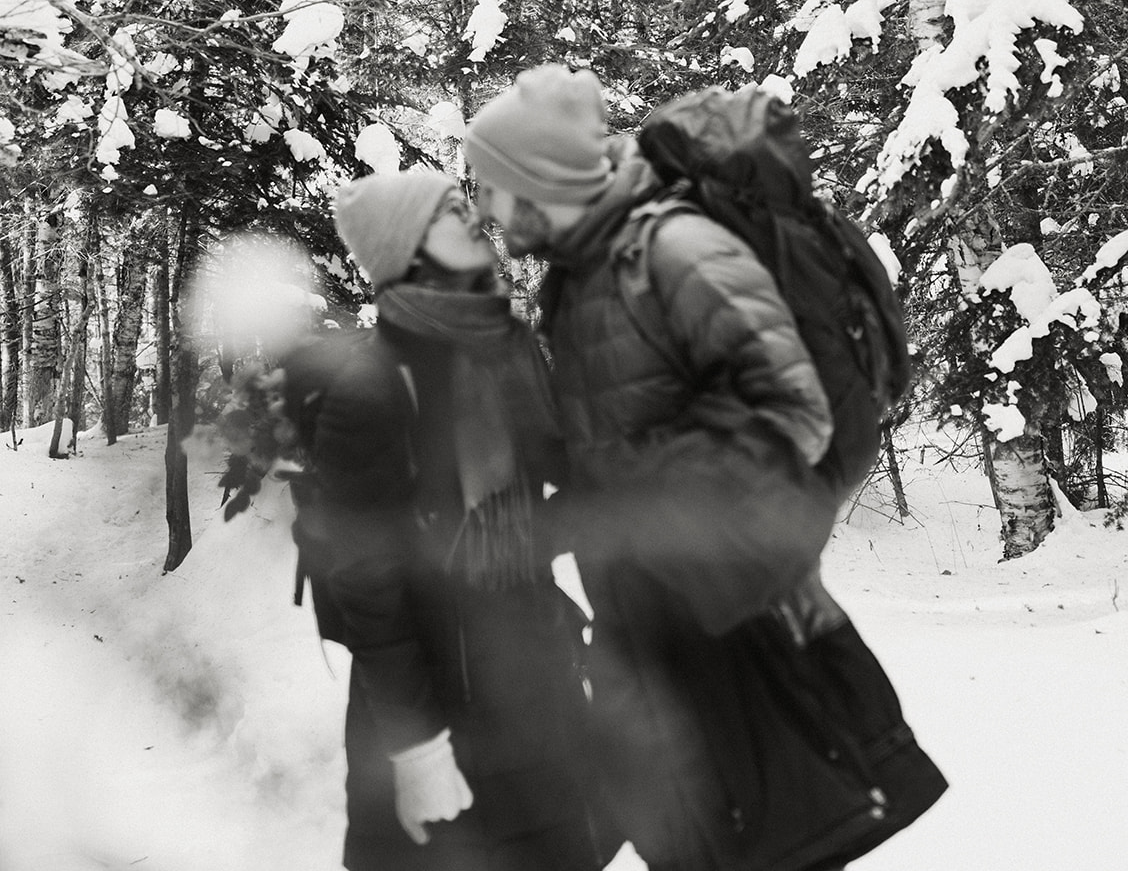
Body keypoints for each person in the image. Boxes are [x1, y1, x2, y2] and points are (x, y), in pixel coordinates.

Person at [464, 64, 947, 871]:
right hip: (654, 630)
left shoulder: (677, 251)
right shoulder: (582, 280)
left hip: (737, 627)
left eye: (490, 186)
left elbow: (793, 416)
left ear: (538, 183)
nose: (482, 208)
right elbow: (619, 443)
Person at [288, 165, 604, 871]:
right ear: (407, 249)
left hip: (530, 677)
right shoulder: (368, 388)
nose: (469, 216)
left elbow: (570, 478)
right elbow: (367, 586)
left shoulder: (510, 349)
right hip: (435, 696)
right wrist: (417, 746)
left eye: (462, 205)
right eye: (443, 213)